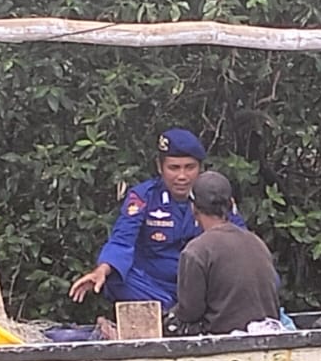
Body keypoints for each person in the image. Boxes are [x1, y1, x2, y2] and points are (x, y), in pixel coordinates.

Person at [68, 128, 246, 309]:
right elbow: (122, 241)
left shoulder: (215, 196)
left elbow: (240, 241)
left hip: (201, 285)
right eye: (174, 168)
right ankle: (171, 314)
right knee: (115, 277)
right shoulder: (143, 196)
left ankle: (185, 312)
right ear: (160, 167)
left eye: (190, 167)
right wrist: (102, 270)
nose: (182, 176)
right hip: (154, 288)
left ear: (201, 168)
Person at [169, 172, 281, 335]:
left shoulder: (196, 251)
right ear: (231, 204)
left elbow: (190, 312)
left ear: (193, 207)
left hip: (222, 336)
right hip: (267, 333)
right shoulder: (257, 242)